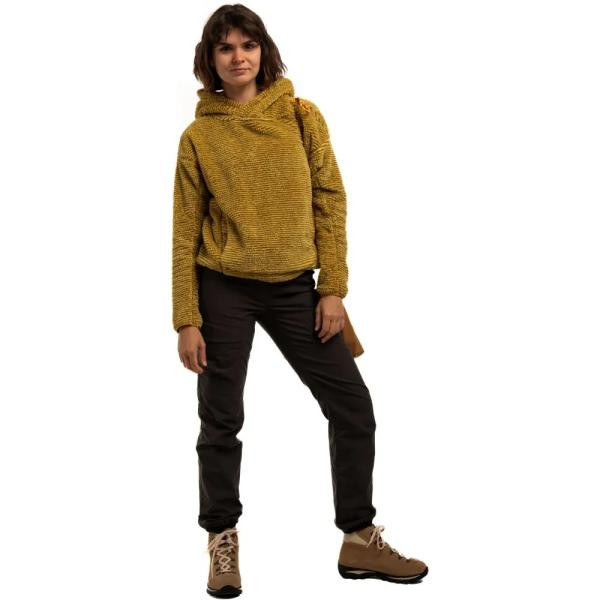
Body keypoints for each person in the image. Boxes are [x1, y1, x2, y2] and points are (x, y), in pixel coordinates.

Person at [172, 4, 429, 597]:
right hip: (223, 287)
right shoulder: (199, 136)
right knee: (221, 416)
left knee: (352, 405)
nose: (239, 57)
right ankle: (222, 538)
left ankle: (358, 537)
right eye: (225, 48)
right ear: (210, 59)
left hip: (294, 288)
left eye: (248, 45)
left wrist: (332, 287)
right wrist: (187, 317)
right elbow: (185, 229)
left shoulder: (300, 115)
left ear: (264, 52)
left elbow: (329, 198)